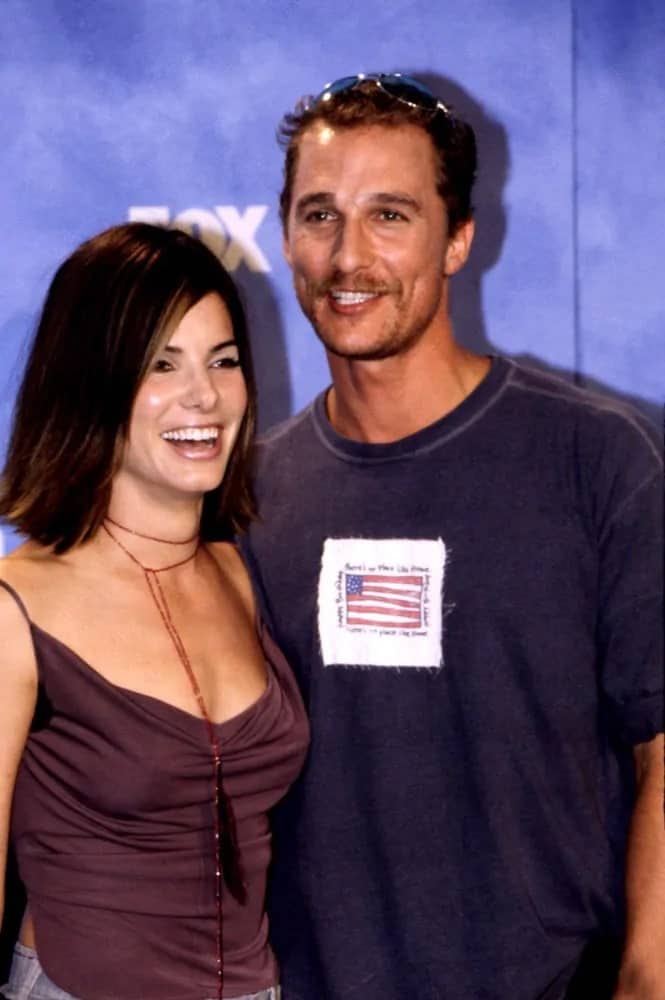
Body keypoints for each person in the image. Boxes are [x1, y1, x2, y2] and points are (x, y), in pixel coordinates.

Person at [243, 74, 665, 1000]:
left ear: (458, 240)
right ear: (282, 240)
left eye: (389, 215)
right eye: (320, 216)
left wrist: (647, 977)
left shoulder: (593, 459)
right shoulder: (252, 497)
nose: (348, 256)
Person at [0, 222, 309, 1000]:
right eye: (160, 364)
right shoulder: (17, 605)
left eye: (223, 360)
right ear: (91, 382)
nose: (202, 395)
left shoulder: (241, 572)